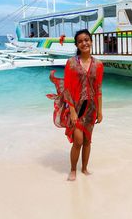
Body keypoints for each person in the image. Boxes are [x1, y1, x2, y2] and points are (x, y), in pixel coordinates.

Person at [48, 29, 104, 181]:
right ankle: (73, 170)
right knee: (78, 140)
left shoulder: (98, 64)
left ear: (91, 41)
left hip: (91, 108)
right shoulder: (71, 63)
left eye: (86, 40)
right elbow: (67, 88)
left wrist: (100, 111)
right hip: (76, 107)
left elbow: (98, 89)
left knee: (87, 140)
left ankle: (84, 168)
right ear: (77, 45)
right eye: (80, 41)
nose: (84, 43)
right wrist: (72, 111)